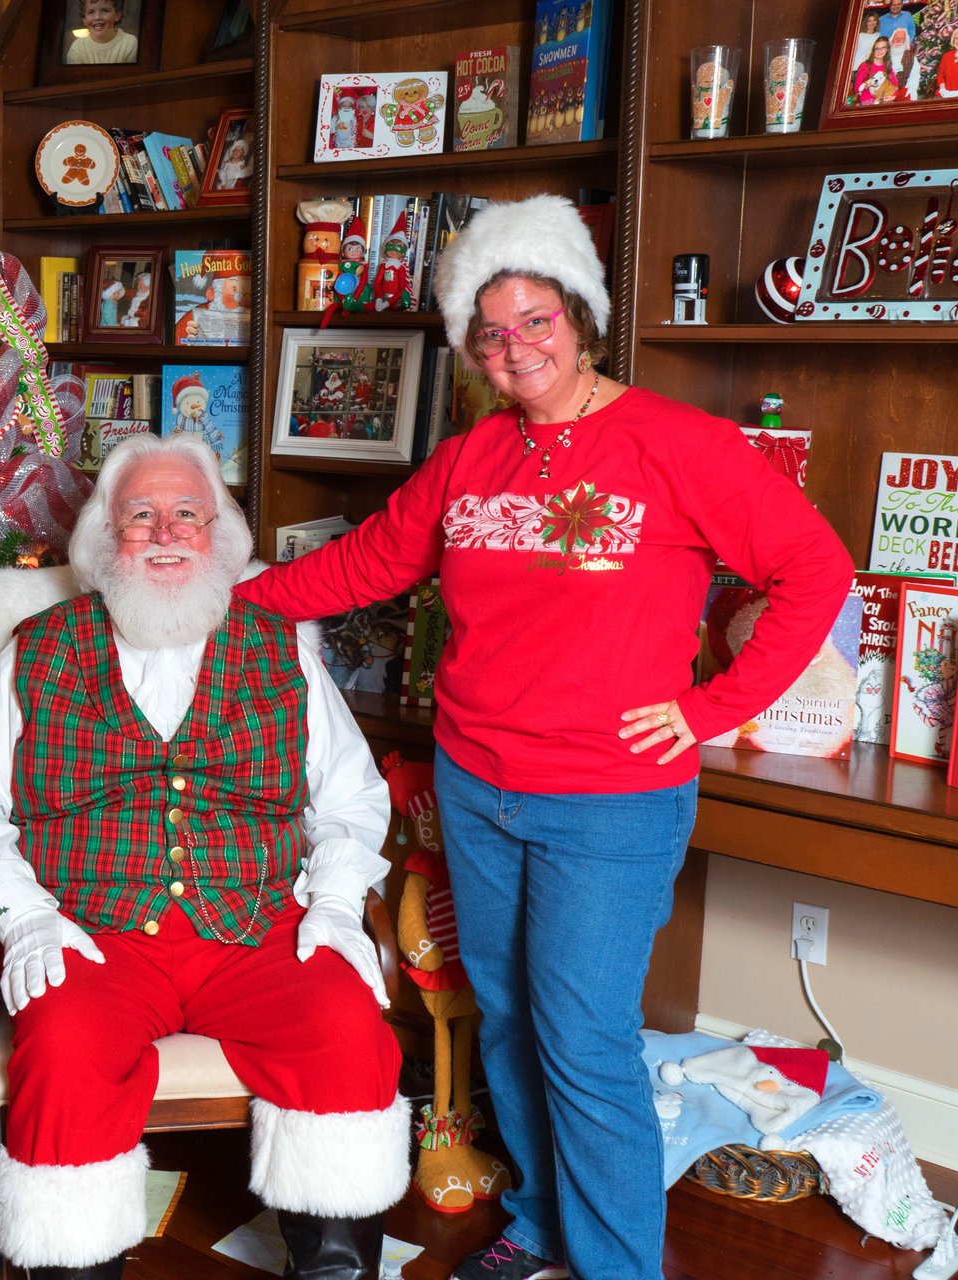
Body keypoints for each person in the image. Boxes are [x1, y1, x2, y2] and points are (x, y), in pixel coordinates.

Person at [230, 195, 854, 1280]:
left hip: (610, 797)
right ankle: (542, 1218)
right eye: (490, 329)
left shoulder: (678, 445)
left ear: (581, 316)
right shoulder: (472, 455)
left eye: (535, 319)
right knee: (509, 1016)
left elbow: (816, 572)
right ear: (469, 347)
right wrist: (232, 596)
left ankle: (616, 1265)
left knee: (583, 1037)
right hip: (478, 781)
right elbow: (367, 561)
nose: (515, 346)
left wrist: (709, 710)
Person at [0, 433, 407, 1280]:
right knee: (62, 1052)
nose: (167, 532)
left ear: (220, 537)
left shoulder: (281, 647)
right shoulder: (40, 648)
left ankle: (335, 1269)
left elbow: (352, 798)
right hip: (94, 934)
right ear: (107, 538)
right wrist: (25, 916)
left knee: (345, 1028)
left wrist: (331, 903)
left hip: (256, 927)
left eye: (188, 514)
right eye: (141, 516)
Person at [66, 0, 138, 64]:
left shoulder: (130, 43)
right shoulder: (77, 48)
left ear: (117, 15)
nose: (97, 17)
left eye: (104, 10)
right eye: (91, 12)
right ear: (84, 19)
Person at [855, 35, 899, 102]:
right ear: (873, 50)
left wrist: (894, 95)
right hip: (867, 99)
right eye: (877, 48)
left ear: (887, 49)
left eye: (883, 48)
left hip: (883, 99)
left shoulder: (887, 66)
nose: (879, 51)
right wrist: (865, 86)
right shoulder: (865, 65)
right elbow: (856, 88)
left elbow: (895, 85)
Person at [888, 25, 922, 98]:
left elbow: (915, 75)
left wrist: (912, 88)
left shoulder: (911, 56)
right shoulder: (885, 54)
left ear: (906, 41)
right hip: (885, 91)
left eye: (902, 39)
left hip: (903, 90)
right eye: (896, 38)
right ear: (891, 40)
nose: (898, 41)